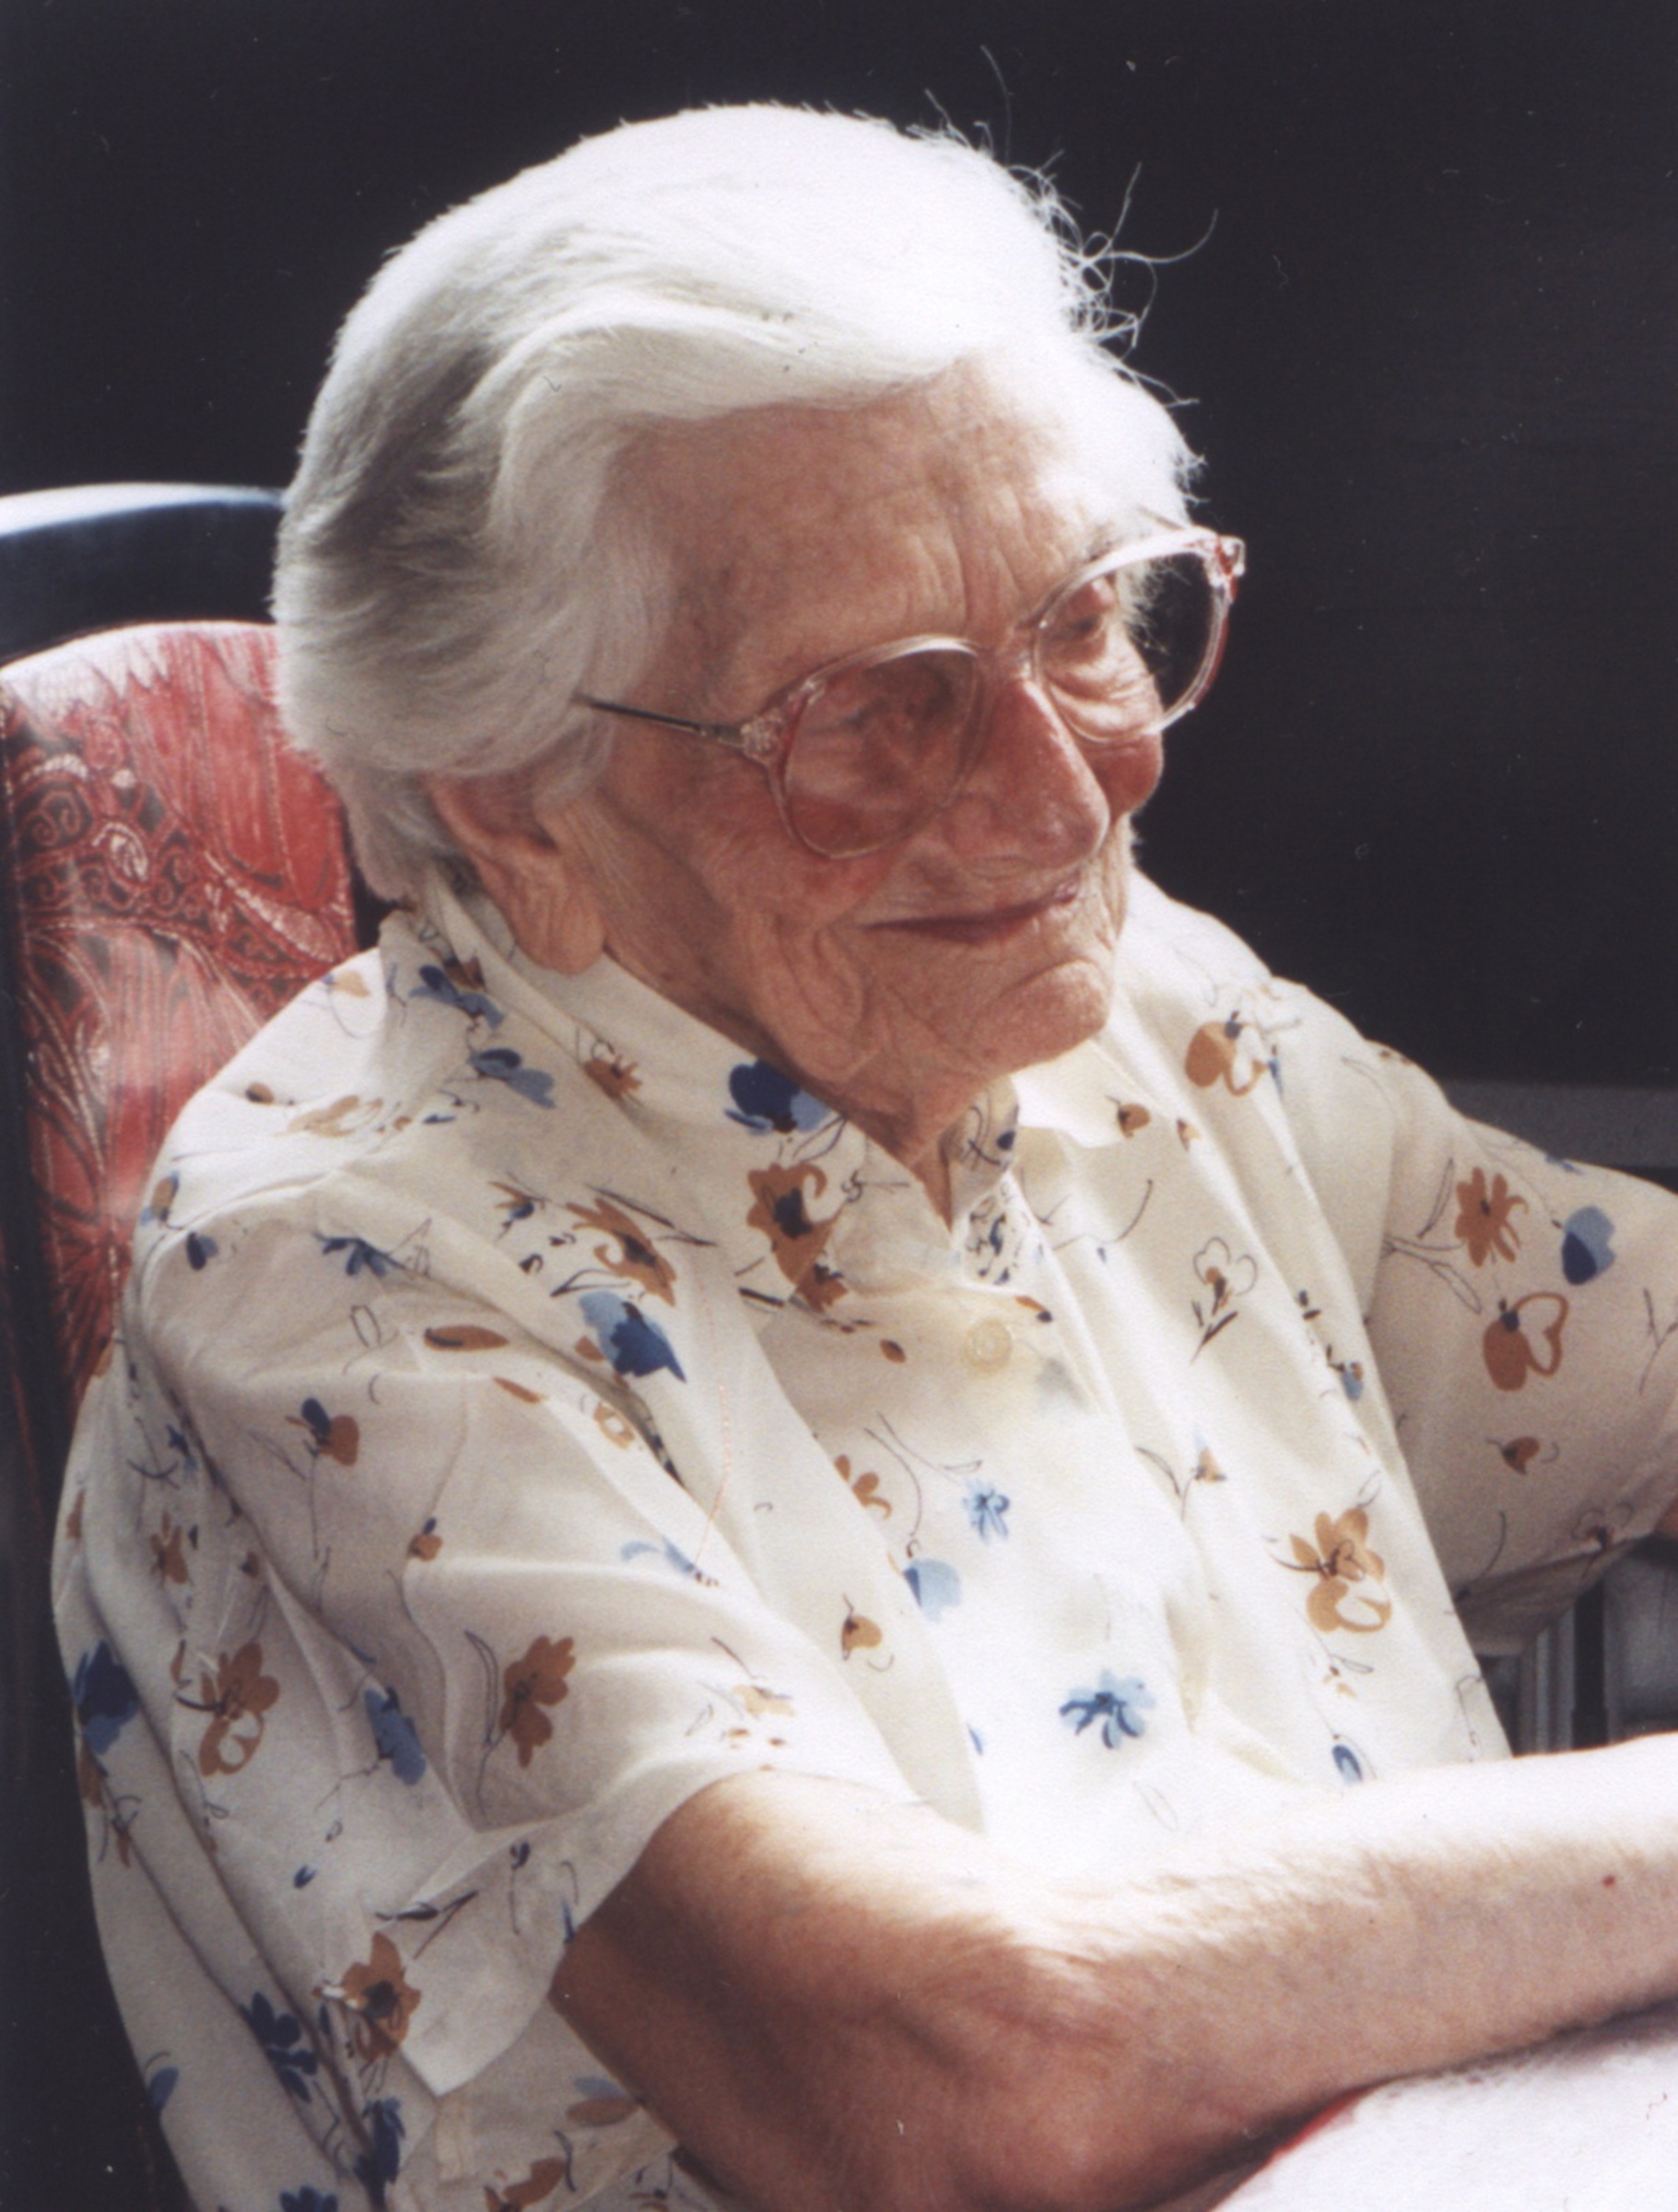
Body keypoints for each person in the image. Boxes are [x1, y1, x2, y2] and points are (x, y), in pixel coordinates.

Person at [53, 105, 1678, 2212]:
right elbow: (957, 2075)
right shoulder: (342, 1279)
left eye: (1083, 622)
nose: (1060, 805)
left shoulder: (1116, 1013)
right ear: (510, 806)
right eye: (873, 714)